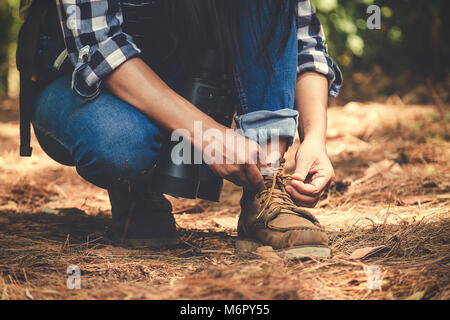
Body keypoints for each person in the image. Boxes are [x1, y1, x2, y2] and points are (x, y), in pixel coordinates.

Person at [30, 0, 342, 255]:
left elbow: (305, 41)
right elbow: (101, 49)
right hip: (78, 85)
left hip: (185, 76)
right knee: (119, 144)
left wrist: (314, 139)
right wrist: (205, 131)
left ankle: (267, 185)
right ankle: (136, 188)